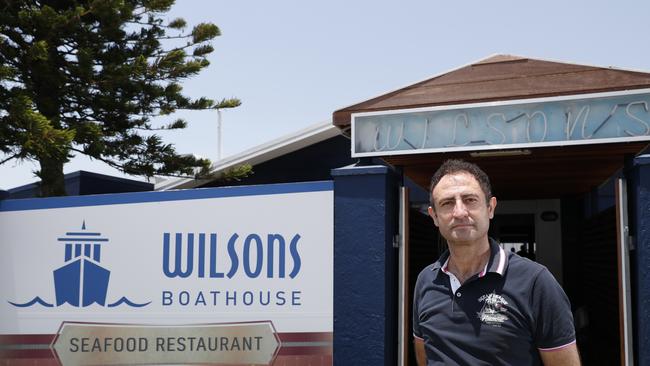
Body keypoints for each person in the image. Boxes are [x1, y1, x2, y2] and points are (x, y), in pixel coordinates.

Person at [412, 159, 580, 365]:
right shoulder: (426, 280)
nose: (459, 212)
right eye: (447, 203)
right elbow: (424, 356)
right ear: (435, 216)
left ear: (490, 208)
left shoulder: (536, 282)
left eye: (469, 200)